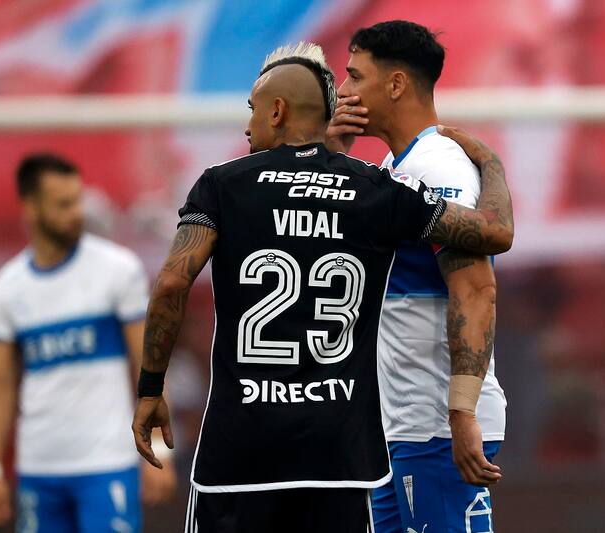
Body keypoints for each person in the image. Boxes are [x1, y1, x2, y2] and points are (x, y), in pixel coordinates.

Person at [132, 42, 513, 533]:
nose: (248, 127)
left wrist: (150, 388)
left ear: (277, 109)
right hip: (341, 458)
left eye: (252, 110)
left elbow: (170, 285)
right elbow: (495, 232)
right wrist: (493, 168)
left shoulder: (221, 185)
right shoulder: (373, 190)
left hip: (241, 449)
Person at [326, 20, 509, 533]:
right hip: (399, 426)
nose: (344, 90)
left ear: (397, 84)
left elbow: (475, 289)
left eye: (355, 76)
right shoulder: (392, 166)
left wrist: (461, 414)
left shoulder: (438, 167)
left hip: (436, 429)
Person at [0, 153, 176, 533]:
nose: (76, 212)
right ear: (31, 207)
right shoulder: (7, 288)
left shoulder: (118, 270)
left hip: (106, 464)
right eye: (63, 204)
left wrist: (161, 452)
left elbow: (147, 364)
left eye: (78, 200)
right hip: (38, 468)